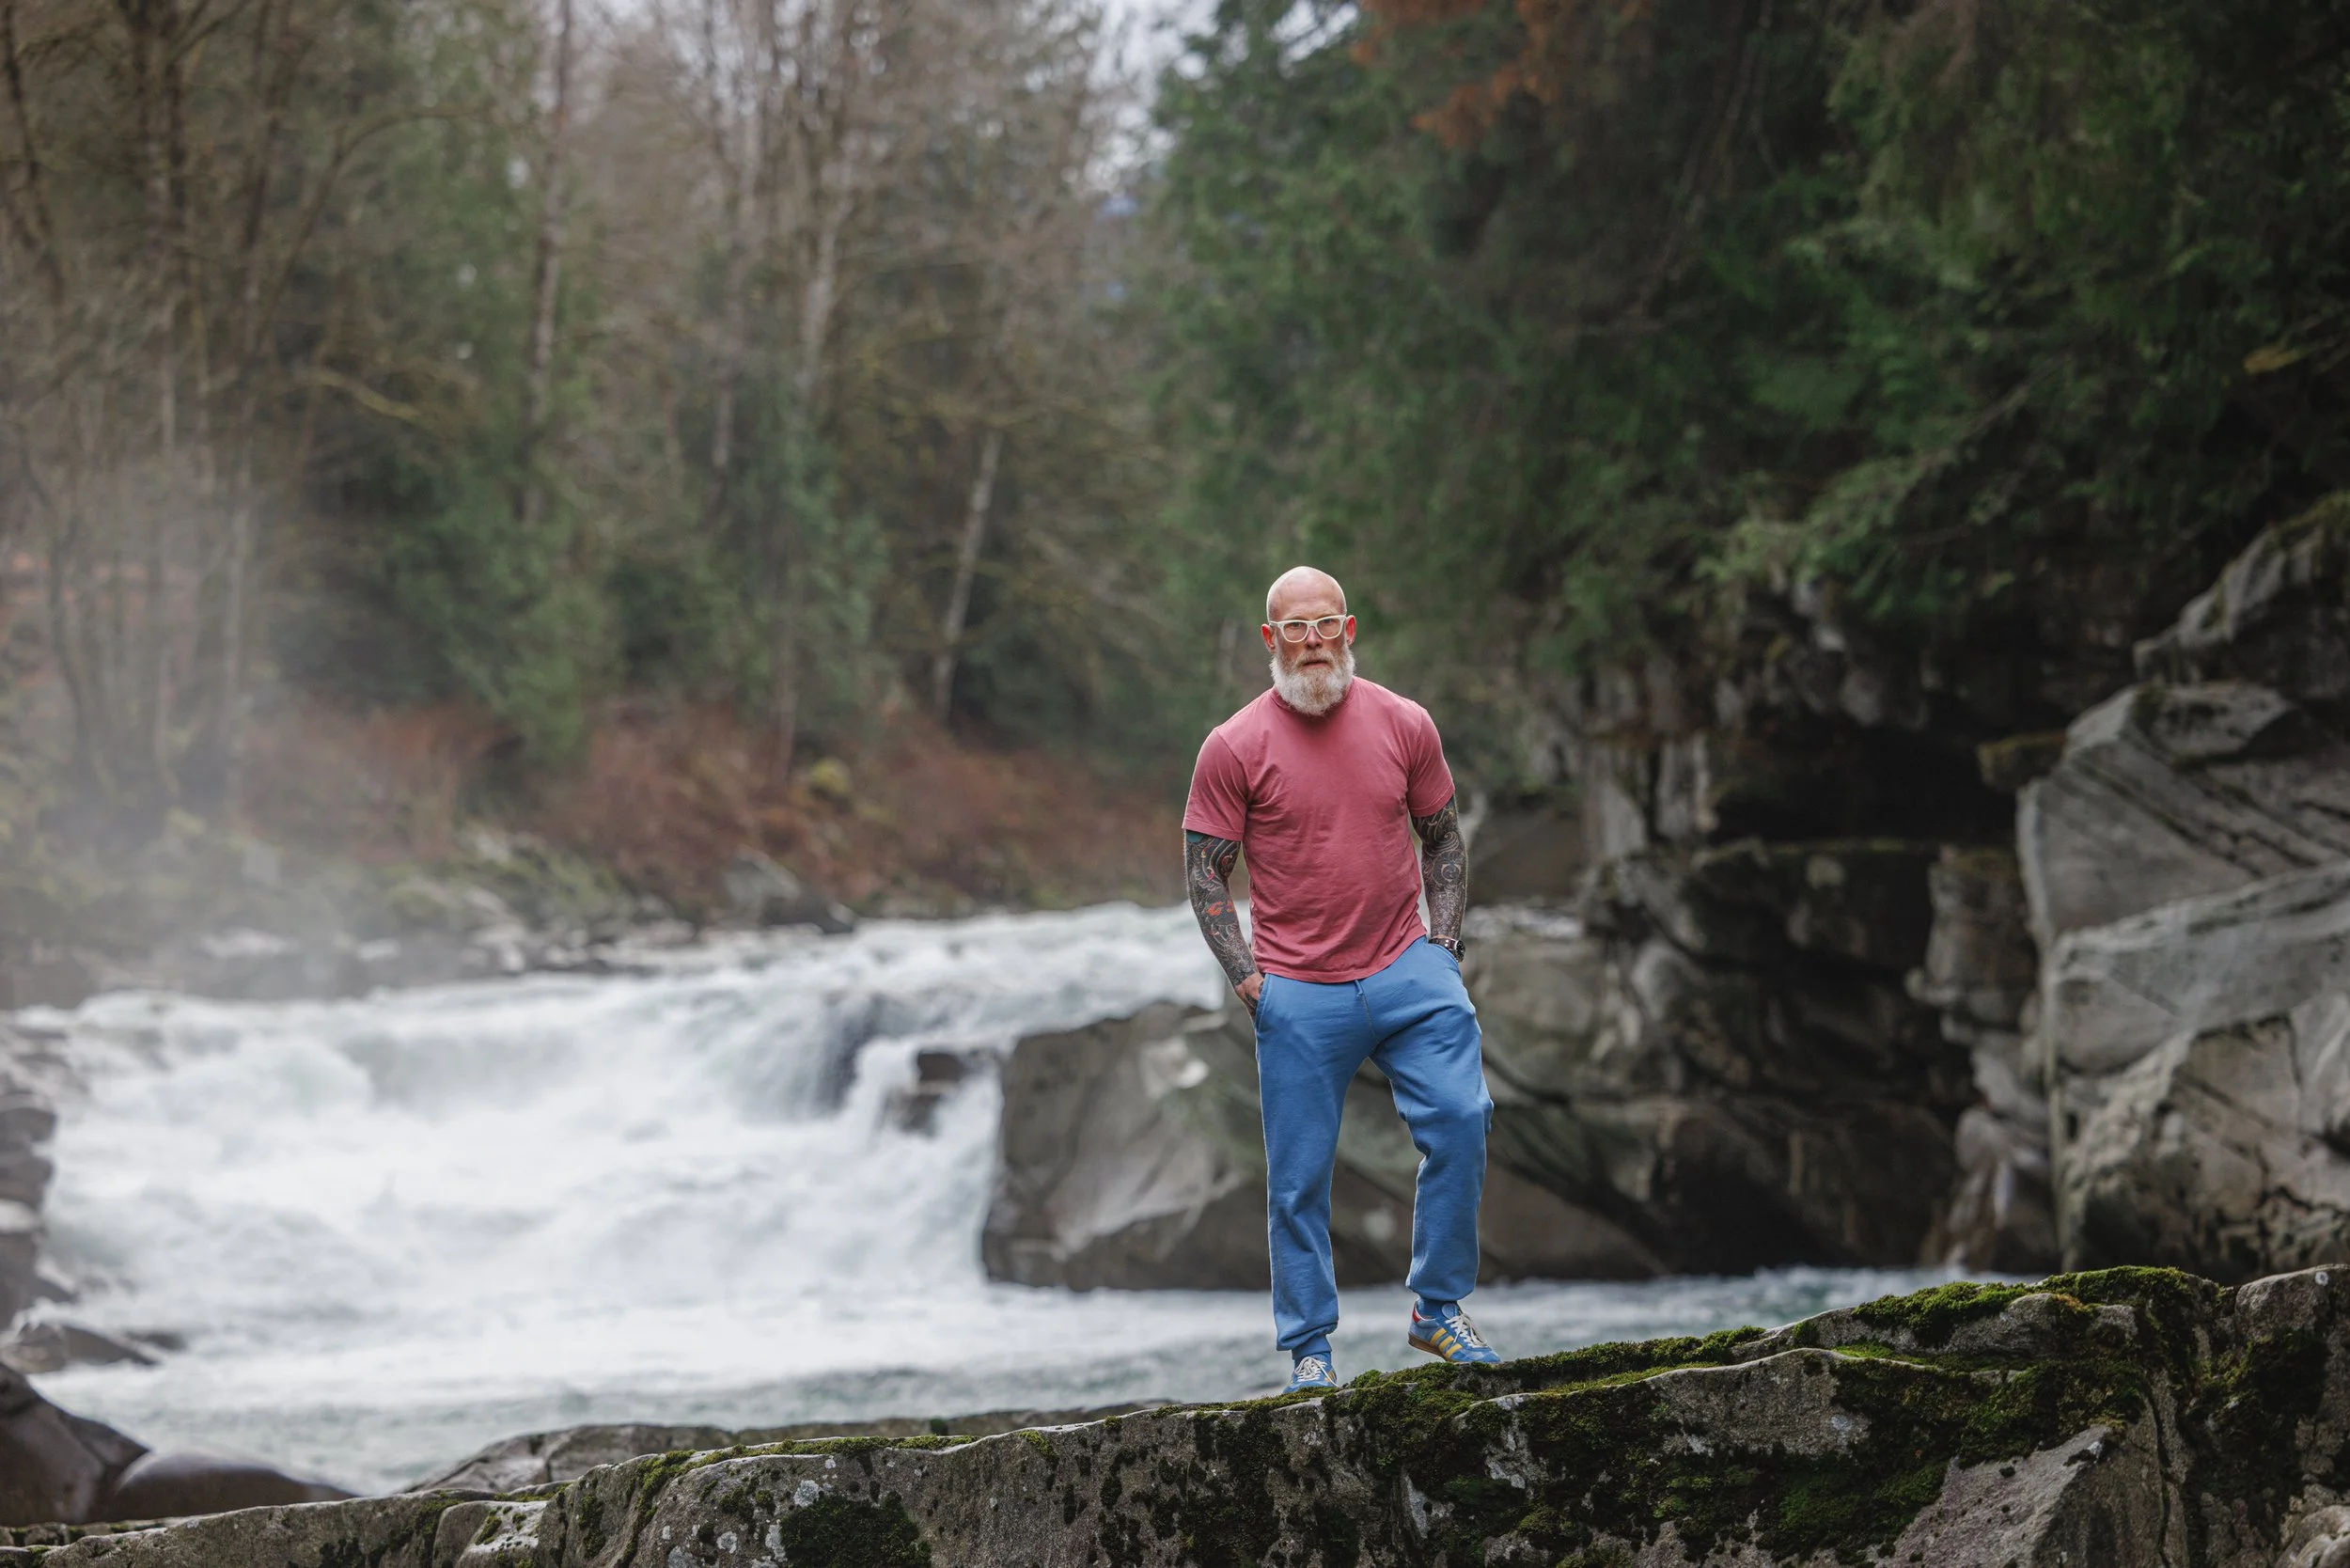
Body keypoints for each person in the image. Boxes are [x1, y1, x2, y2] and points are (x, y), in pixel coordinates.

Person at [1183, 565, 1500, 1394]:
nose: (1314, 643)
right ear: (1270, 640)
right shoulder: (1233, 745)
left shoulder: (1405, 723)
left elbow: (1445, 840)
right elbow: (1205, 872)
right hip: (1298, 988)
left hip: (1408, 968)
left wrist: (1445, 945)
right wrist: (1249, 979)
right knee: (1296, 1182)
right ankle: (1311, 1352)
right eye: (1296, 628)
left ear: (1349, 630)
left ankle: (1437, 1309)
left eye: (1327, 625)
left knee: (1463, 1118)